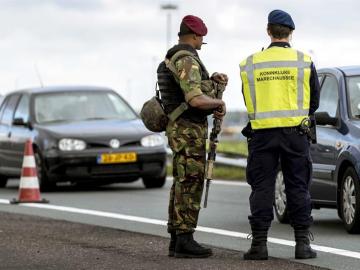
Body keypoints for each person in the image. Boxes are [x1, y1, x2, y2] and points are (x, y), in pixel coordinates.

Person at [239, 10, 320, 260]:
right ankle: (302, 246)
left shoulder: (250, 64)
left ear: (268, 31)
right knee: (297, 186)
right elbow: (313, 101)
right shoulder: (304, 62)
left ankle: (259, 246)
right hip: (296, 134)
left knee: (262, 187)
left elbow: (247, 99)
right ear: (291, 33)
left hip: (262, 135)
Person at [157, 15, 228, 258]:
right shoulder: (187, 59)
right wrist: (219, 101)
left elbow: (190, 89)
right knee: (190, 181)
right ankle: (185, 239)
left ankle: (177, 238)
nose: (202, 43)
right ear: (195, 36)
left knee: (181, 180)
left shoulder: (174, 56)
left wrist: (212, 81)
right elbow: (195, 99)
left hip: (180, 128)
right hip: (188, 130)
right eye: (201, 39)